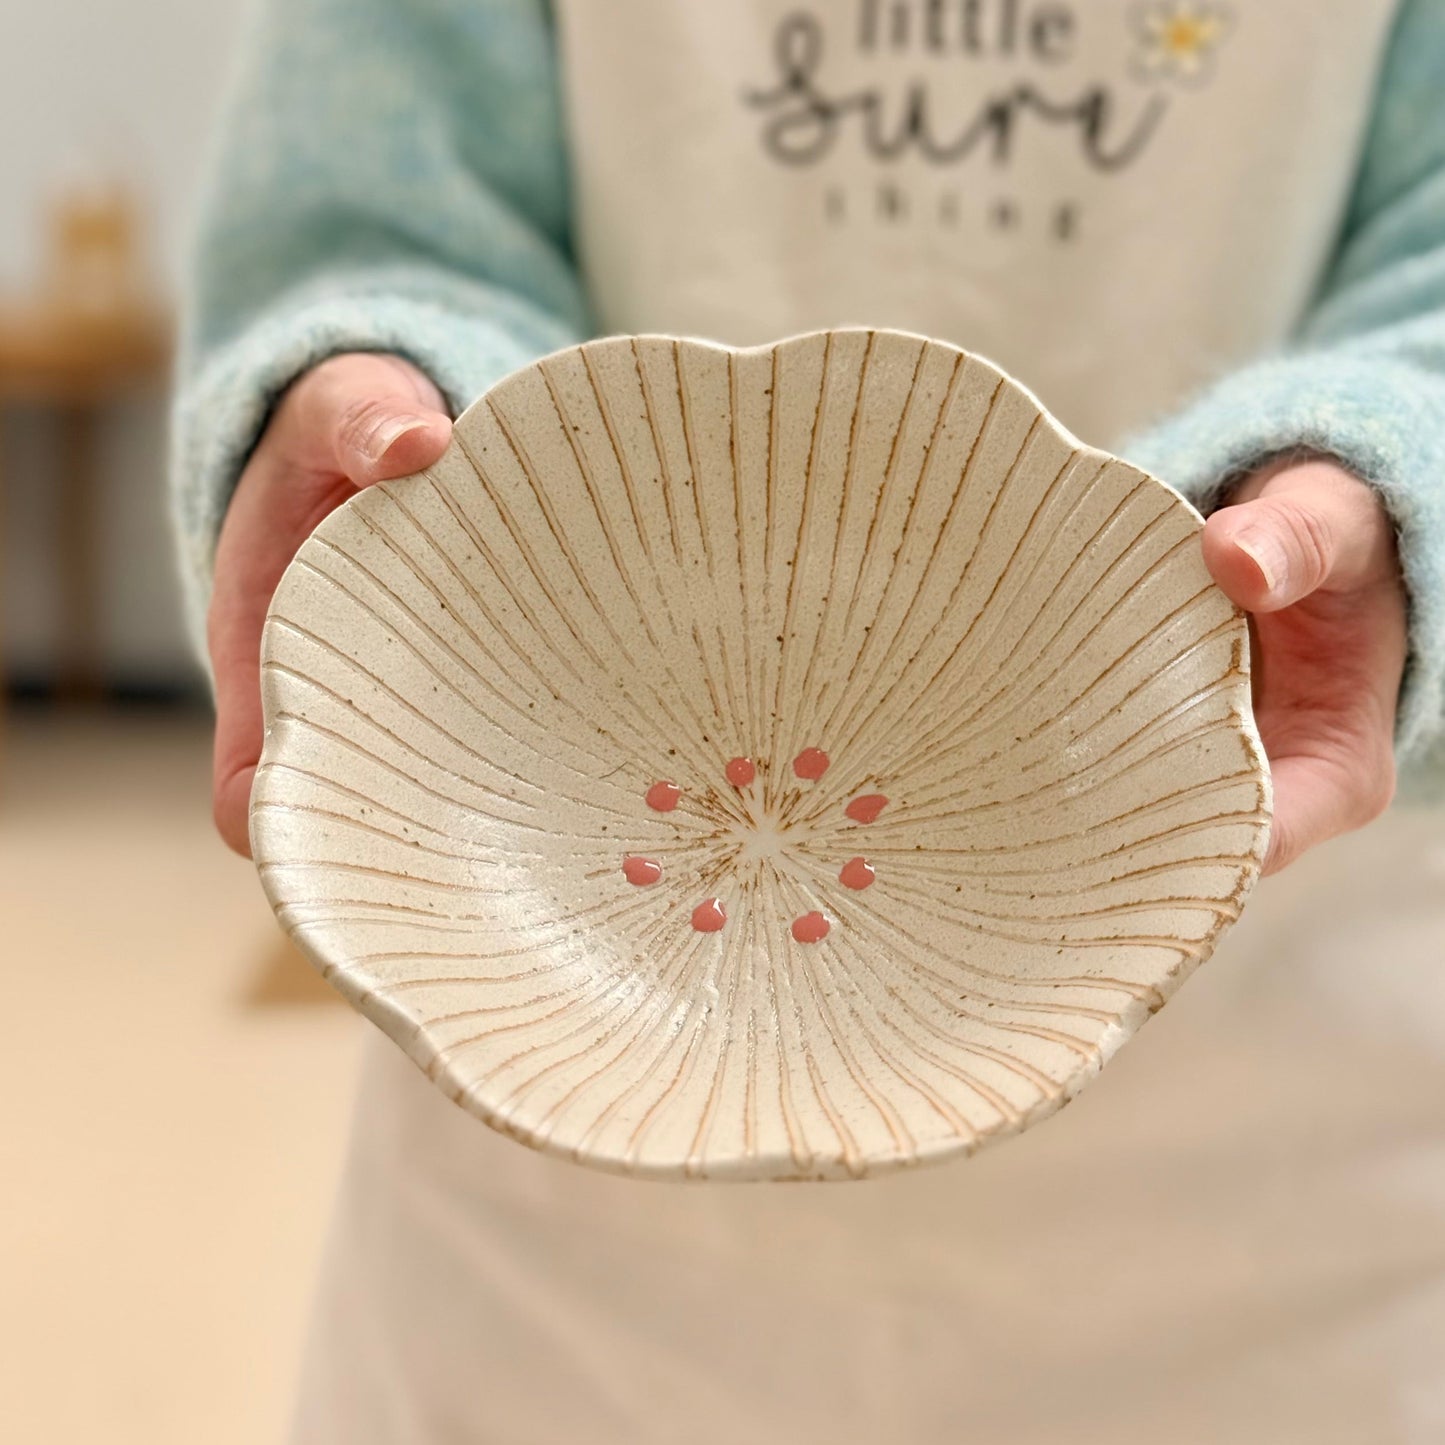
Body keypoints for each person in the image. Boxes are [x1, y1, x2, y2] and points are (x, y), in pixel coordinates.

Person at [172, 1, 1445, 1439]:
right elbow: (375, 217)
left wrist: (1383, 470)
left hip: (1286, 1139)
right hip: (554, 1070)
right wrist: (387, 418)